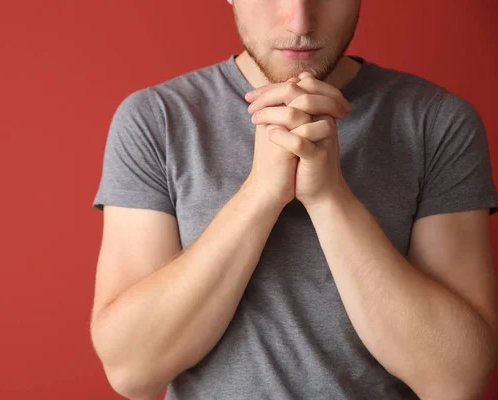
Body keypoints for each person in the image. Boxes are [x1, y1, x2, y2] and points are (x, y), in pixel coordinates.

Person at [89, 0, 498, 399]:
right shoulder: (156, 119)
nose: (300, 21)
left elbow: (456, 381)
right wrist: (261, 193)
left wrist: (329, 197)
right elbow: (132, 371)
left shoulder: (438, 122)